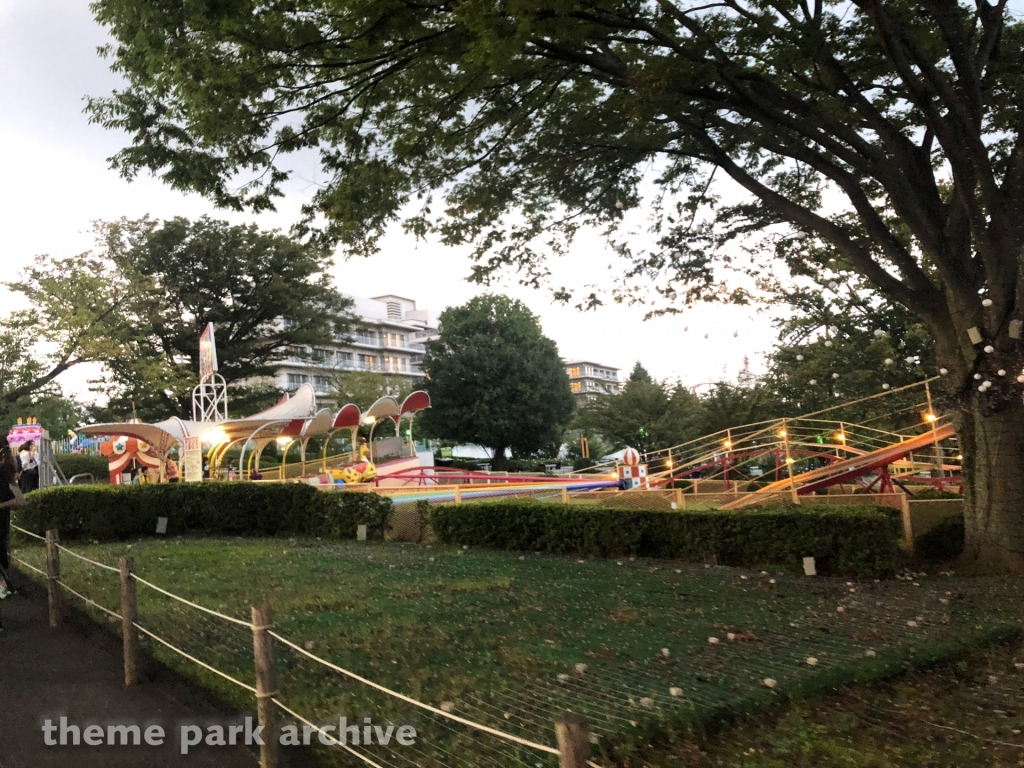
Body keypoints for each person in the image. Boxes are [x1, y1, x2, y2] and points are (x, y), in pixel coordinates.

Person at [0, 441, 27, 626]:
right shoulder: (8, 472)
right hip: (3, 524)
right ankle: (3, 584)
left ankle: (3, 584)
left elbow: (17, 500)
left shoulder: (3, 475)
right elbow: (19, 500)